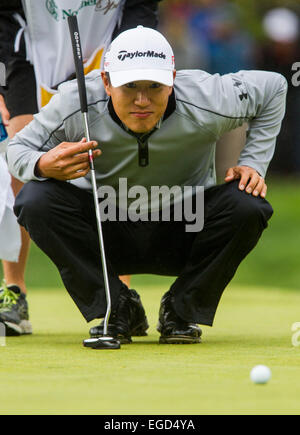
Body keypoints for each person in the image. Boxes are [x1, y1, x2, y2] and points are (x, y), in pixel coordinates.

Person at [7, 26, 287, 345]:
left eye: (155, 86)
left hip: (185, 226)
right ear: (106, 82)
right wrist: (43, 165)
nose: (143, 100)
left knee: (248, 204)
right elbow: (18, 150)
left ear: (173, 80)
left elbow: (275, 88)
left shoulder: (208, 96)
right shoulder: (75, 100)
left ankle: (180, 310)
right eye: (130, 86)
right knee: (35, 199)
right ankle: (119, 307)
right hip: (103, 231)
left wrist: (252, 163)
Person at [0, 0, 162, 336]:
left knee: (114, 149)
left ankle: (119, 295)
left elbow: (141, 8)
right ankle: (14, 290)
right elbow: (5, 16)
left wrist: (130, 57)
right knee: (21, 147)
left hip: (110, 45)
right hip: (27, 50)